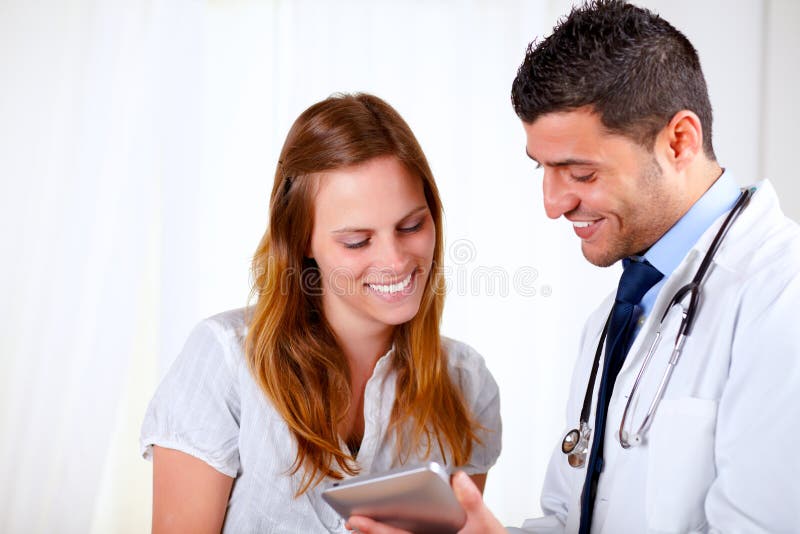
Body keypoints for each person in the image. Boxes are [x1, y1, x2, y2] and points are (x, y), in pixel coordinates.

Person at [348, 1, 800, 533]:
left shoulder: (779, 298)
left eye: (580, 173)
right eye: (544, 169)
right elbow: (570, 521)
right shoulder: (619, 315)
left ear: (680, 141)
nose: (552, 203)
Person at [139, 93, 502, 533]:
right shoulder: (226, 361)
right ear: (302, 243)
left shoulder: (466, 383)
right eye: (357, 241)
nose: (395, 260)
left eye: (411, 226)